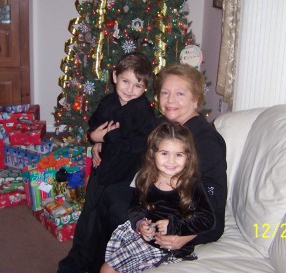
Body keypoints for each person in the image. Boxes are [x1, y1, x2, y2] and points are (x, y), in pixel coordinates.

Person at [97, 63, 227, 265]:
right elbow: (131, 139)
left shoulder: (205, 140)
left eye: (180, 94)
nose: (170, 100)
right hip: (162, 203)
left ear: (196, 100)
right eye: (165, 93)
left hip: (193, 220)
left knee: (118, 206)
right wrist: (101, 142)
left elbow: (212, 201)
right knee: (110, 193)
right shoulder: (165, 126)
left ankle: (120, 262)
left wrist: (184, 233)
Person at [58, 53, 156, 273]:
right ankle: (79, 259)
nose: (130, 89)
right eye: (125, 81)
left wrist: (104, 138)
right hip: (103, 167)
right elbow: (95, 125)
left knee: (103, 219)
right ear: (115, 77)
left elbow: (141, 144)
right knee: (89, 215)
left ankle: (97, 263)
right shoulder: (109, 102)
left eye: (138, 85)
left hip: (124, 174)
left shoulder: (141, 110)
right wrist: (94, 138)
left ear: (145, 88)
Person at [100, 121, 215, 273]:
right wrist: (140, 222)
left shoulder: (190, 184)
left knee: (107, 270)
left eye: (179, 155)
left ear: (188, 157)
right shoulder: (146, 178)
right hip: (145, 236)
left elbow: (208, 220)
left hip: (169, 248)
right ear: (153, 153)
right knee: (106, 264)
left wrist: (174, 226)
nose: (171, 161)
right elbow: (136, 206)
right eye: (164, 153)